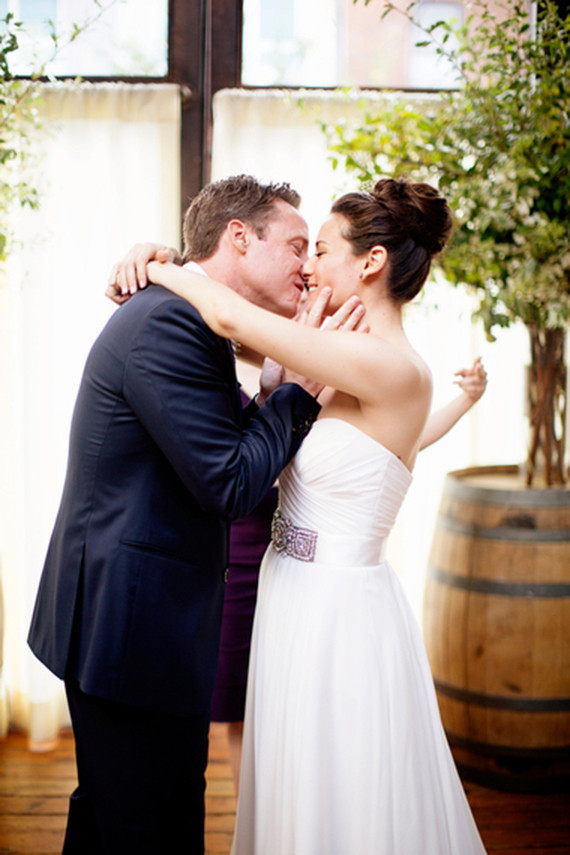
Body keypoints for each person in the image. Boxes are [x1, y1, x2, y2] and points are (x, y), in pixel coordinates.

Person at [138, 176, 488, 854]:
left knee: (345, 791)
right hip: (288, 593)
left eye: (321, 250)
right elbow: (242, 345)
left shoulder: (397, 370)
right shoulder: (335, 350)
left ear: (372, 262)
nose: (308, 265)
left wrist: (159, 264)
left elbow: (236, 321)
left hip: (341, 615)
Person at [26, 174, 365, 855]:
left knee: (118, 815)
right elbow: (232, 482)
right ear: (239, 237)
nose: (307, 265)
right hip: (128, 629)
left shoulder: (192, 317)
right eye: (296, 245)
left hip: (140, 622)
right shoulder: (169, 325)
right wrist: (297, 392)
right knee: (152, 827)